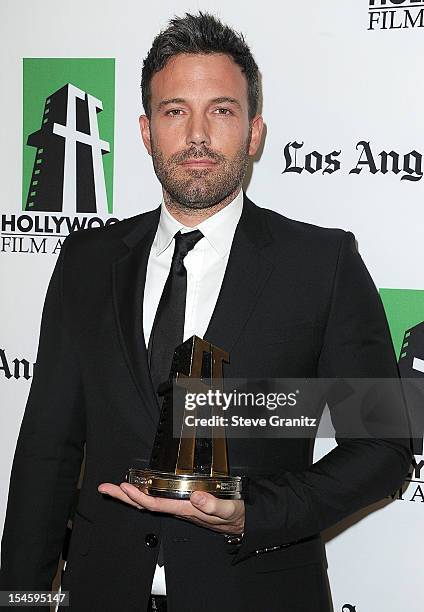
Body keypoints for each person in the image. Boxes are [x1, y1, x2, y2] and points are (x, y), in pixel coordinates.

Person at [0, 11, 412, 612]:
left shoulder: (320, 265)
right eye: (174, 111)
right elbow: (46, 452)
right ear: (144, 131)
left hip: (258, 594)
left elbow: (382, 449)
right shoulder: (87, 263)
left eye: (220, 110)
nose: (197, 134)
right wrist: (23, 600)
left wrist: (252, 512)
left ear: (254, 131)